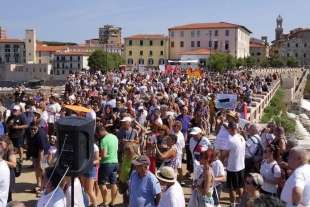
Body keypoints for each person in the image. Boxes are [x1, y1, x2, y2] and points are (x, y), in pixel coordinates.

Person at [223, 122, 246, 206]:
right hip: (241, 166)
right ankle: (242, 203)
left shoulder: (231, 140)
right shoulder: (242, 137)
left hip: (232, 168)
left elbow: (224, 154)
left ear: (230, 129)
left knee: (231, 188)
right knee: (240, 186)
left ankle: (232, 204)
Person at [97, 125, 118, 207]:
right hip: (115, 162)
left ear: (100, 132)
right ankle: (112, 202)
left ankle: (105, 202)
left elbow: (104, 155)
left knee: (102, 183)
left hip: (106, 164)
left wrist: (97, 158)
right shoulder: (114, 137)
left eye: (98, 134)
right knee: (113, 183)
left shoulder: (104, 140)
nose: (98, 136)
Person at [27, 122, 50, 194]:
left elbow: (41, 150)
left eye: (34, 129)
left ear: (38, 128)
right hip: (35, 153)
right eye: (31, 129)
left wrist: (40, 161)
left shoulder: (40, 135)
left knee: (42, 170)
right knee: (37, 170)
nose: (33, 130)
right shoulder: (29, 132)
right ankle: (39, 185)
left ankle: (45, 186)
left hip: (43, 154)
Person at [81, 138, 100, 207]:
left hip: (91, 169)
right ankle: (86, 204)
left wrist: (89, 163)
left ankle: (95, 205)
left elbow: (97, 160)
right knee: (84, 190)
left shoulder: (94, 147)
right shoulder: (82, 145)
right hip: (83, 169)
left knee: (89, 190)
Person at [0, 136, 16, 203]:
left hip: (8, 174)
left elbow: (14, 164)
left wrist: (2, 161)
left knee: (7, 196)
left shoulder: (10, 150)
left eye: (1, 143)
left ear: (6, 143)